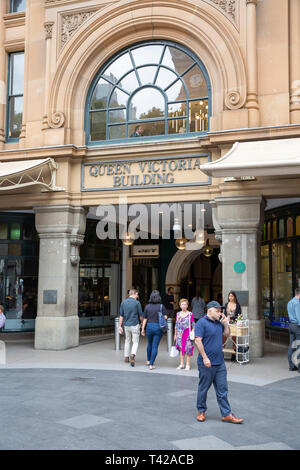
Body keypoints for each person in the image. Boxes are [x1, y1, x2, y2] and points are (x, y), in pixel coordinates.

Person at [194, 300, 243, 424]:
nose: (220, 313)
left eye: (220, 311)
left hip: (220, 362)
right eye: (217, 311)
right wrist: (205, 358)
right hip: (206, 363)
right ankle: (201, 411)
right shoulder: (201, 323)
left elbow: (227, 335)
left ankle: (226, 414)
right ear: (209, 310)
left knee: (222, 389)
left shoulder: (219, 323)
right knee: (203, 388)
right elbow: (197, 341)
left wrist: (226, 324)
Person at [141, 290, 167, 370]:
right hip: (158, 327)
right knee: (155, 346)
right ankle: (151, 364)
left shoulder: (147, 306)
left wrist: (142, 329)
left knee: (149, 344)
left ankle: (148, 360)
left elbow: (145, 318)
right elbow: (165, 317)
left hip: (149, 326)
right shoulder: (161, 306)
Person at [118, 289, 143, 367]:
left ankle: (126, 357)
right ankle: (133, 355)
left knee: (127, 340)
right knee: (135, 341)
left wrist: (119, 326)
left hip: (126, 325)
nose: (137, 296)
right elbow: (140, 315)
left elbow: (121, 315)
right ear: (134, 294)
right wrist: (142, 323)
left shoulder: (123, 302)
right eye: (137, 294)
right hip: (135, 324)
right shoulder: (137, 303)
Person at [174, 298, 195, 370]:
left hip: (188, 333)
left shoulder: (190, 314)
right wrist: (175, 334)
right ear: (180, 305)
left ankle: (188, 364)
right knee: (181, 349)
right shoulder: (178, 314)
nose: (184, 306)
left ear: (187, 305)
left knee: (188, 349)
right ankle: (181, 364)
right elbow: (176, 325)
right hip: (180, 334)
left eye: (185, 304)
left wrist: (193, 333)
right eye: (182, 304)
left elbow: (193, 324)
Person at [223, 291, 241, 361]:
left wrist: (232, 318)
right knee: (224, 337)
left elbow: (239, 315)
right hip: (227, 323)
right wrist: (224, 318)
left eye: (232, 296)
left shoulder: (237, 305)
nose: (230, 297)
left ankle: (233, 355)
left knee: (234, 338)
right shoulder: (226, 304)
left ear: (235, 297)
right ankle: (222, 353)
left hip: (234, 323)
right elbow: (225, 313)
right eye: (229, 296)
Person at [287, 287, 300, 372]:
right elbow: (299, 317)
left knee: (291, 346)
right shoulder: (297, 303)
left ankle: (292, 366)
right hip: (297, 326)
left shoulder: (290, 302)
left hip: (291, 325)